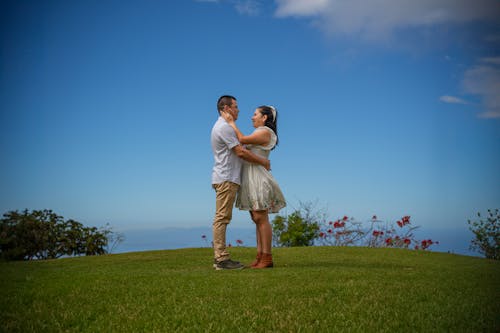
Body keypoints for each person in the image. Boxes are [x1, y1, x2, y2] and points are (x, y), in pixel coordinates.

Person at [221, 105, 286, 269]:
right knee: (256, 218)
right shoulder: (259, 132)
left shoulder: (265, 132)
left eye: (255, 114)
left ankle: (267, 257)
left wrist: (231, 123)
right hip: (251, 176)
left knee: (261, 218)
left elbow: (241, 139)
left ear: (265, 118)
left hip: (258, 177)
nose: (252, 117)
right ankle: (260, 256)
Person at [211, 95, 271, 270]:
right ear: (227, 108)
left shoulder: (224, 127)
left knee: (223, 217)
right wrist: (264, 162)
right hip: (226, 178)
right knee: (222, 217)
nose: (238, 110)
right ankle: (221, 259)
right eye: (235, 107)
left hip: (227, 177)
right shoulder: (225, 128)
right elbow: (241, 152)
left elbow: (242, 149)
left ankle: (221, 257)